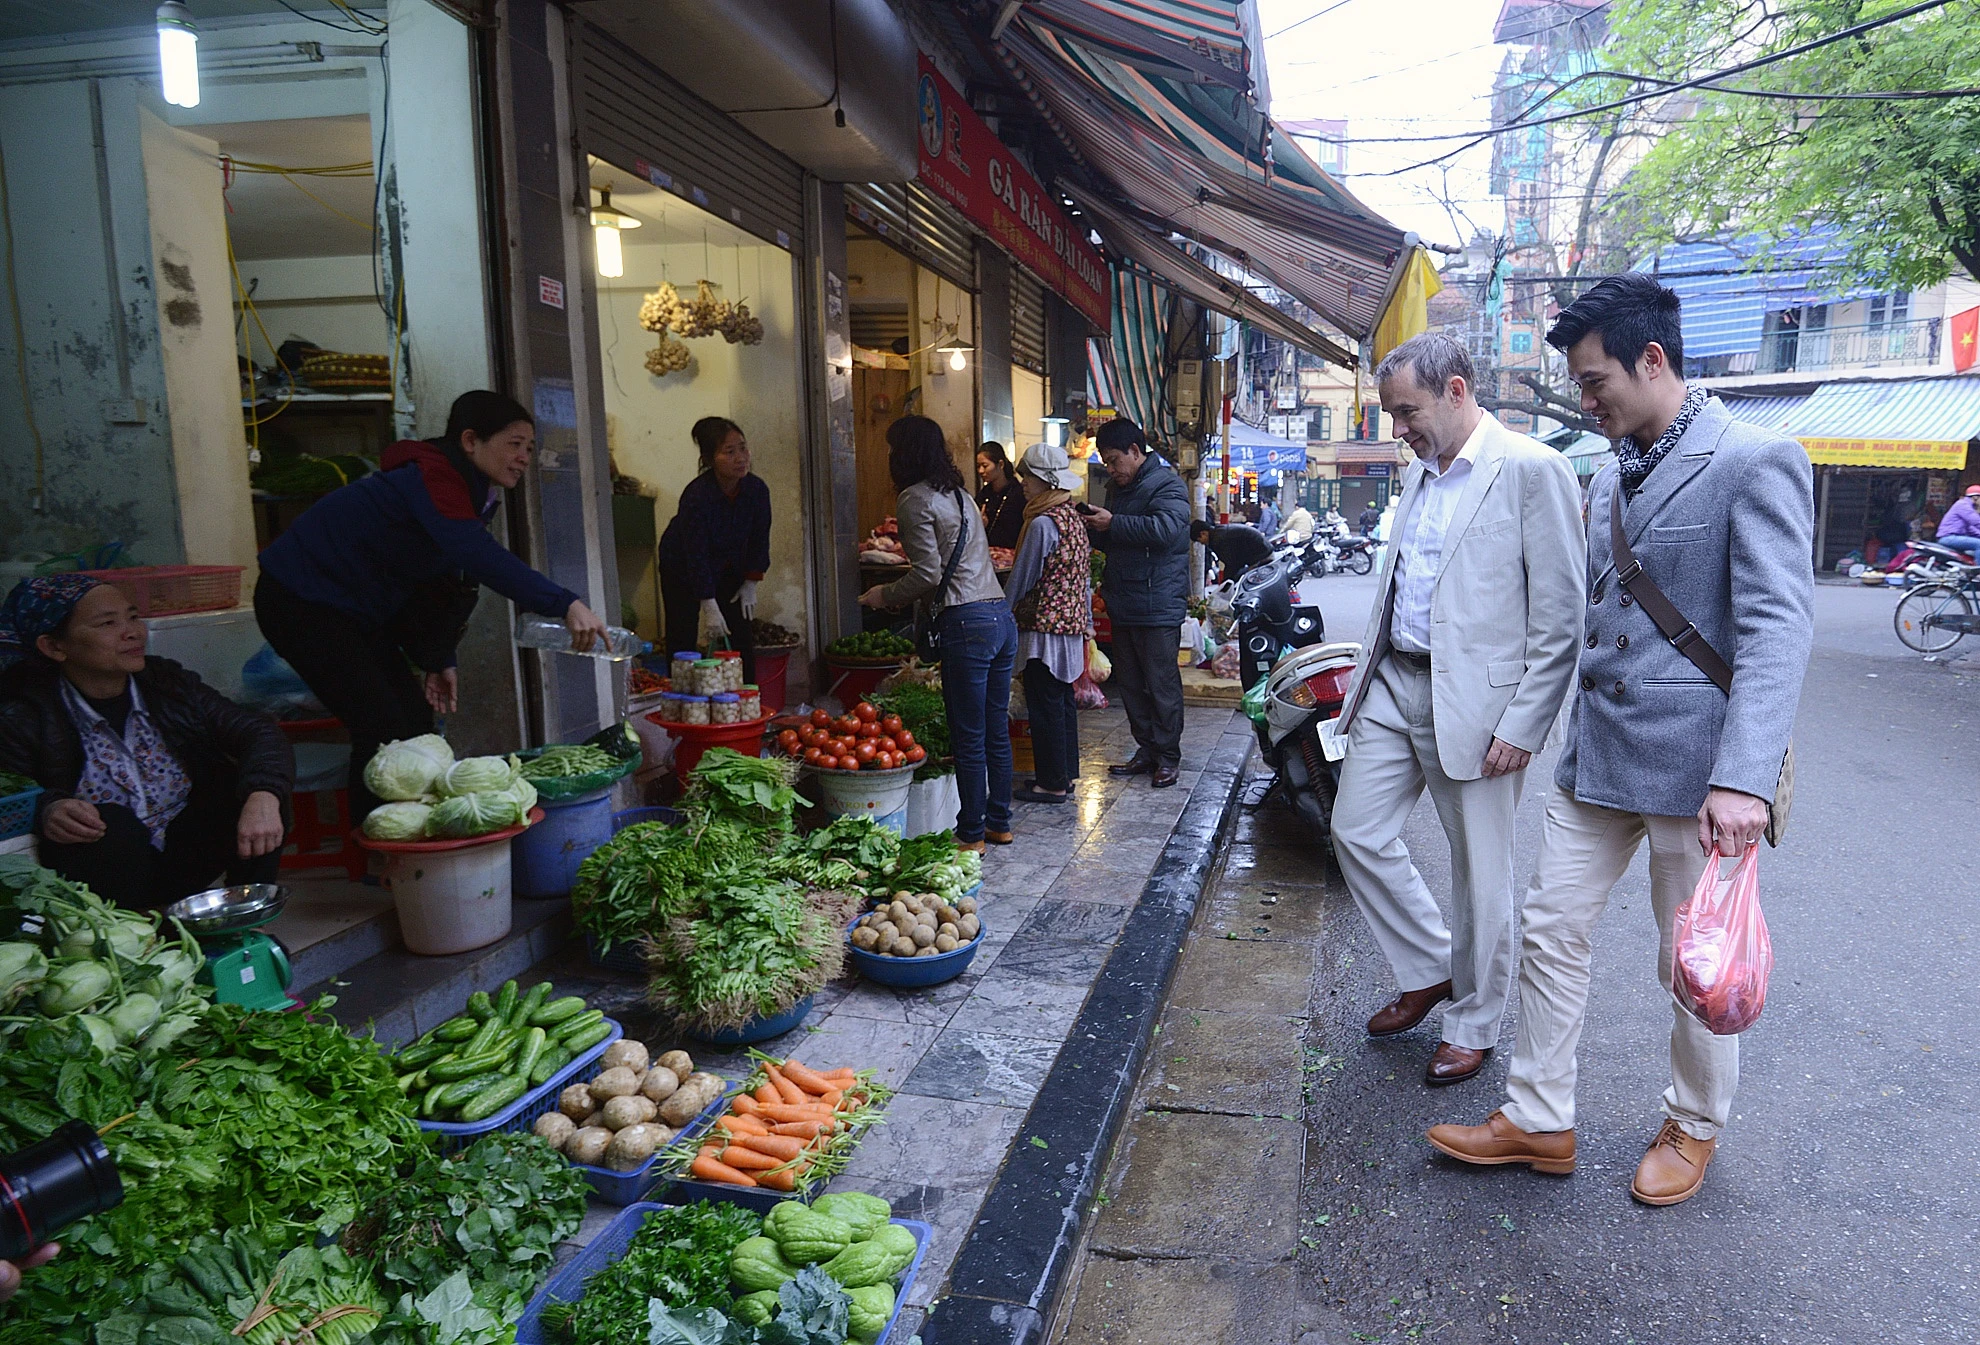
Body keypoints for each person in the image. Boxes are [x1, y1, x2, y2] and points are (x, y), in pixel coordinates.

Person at [1428, 273, 1814, 1207]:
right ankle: (1539, 1115)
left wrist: (1744, 779)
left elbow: (1776, 631)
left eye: (1595, 381)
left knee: (1691, 961)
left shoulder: (1755, 459)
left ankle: (1694, 1121)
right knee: (1550, 928)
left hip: (1699, 771)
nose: (1587, 399)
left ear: (1652, 359)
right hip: (1597, 756)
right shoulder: (1607, 474)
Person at [1329, 334, 1585, 1085]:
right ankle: (1431, 967)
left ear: (1457, 391)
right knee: (1355, 830)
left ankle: (1474, 1022)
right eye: (1392, 414)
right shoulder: (1421, 472)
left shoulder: (1532, 469)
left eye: (1407, 411)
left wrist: (1525, 722)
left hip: (1481, 702)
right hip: (1396, 681)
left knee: (1479, 872)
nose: (1398, 428)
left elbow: (1561, 618)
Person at [256, 391, 607, 823]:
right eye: (514, 444)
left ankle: (412, 834)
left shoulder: (470, 492)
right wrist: (564, 602)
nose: (523, 458)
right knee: (381, 725)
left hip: (353, 611)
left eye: (530, 448)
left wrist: (439, 658)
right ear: (470, 441)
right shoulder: (432, 478)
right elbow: (476, 554)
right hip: (300, 600)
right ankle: (378, 843)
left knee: (415, 720)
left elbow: (435, 583)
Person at [0, 577, 294, 910]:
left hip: (181, 849)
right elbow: (10, 795)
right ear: (54, 646)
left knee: (258, 790)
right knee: (112, 825)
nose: (132, 633)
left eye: (133, 617)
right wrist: (48, 809)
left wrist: (263, 795)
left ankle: (244, 912)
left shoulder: (166, 682)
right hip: (102, 872)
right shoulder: (21, 712)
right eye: (108, 623)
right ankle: (133, 927)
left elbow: (256, 731)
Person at [861, 416, 1017, 851]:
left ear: (904, 453)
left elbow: (927, 573)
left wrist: (883, 595)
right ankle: (998, 823)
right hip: (999, 616)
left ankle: (971, 833)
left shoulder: (915, 498)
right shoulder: (962, 495)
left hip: (966, 621)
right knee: (994, 729)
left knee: (968, 734)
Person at [1084, 419, 1190, 789]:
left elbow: (1165, 530)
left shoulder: (1167, 485)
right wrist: (1093, 528)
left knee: (1161, 684)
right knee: (1130, 684)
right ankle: (1146, 750)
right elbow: (1118, 538)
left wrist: (1113, 522)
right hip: (1124, 600)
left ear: (1134, 450)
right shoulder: (1117, 488)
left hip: (1158, 603)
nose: (1111, 469)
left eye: (1114, 461)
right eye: (1106, 463)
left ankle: (1168, 756)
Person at [1005, 442, 1092, 806]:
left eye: (1028, 476)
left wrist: (1001, 611)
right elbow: (1084, 579)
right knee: (1061, 702)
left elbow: (1023, 576)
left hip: (1043, 631)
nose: (1023, 483)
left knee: (1045, 704)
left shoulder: (1042, 523)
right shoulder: (1071, 518)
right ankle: (1064, 776)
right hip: (1069, 628)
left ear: (1047, 481)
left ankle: (1051, 783)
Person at [659, 416, 773, 684]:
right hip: (682, 567)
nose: (741, 458)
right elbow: (695, 553)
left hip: (728, 567)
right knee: (682, 636)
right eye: (729, 452)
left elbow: (759, 538)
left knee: (739, 634)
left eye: (743, 448)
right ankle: (684, 697)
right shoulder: (697, 496)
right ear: (709, 459)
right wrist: (708, 603)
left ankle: (745, 697)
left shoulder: (756, 490)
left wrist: (751, 581)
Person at [976, 441, 1026, 551]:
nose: (981, 471)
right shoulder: (984, 493)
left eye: (985, 466)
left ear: (1001, 464)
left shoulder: (1018, 493)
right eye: (978, 466)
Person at [1189, 518, 1272, 582]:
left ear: (1203, 533)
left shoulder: (1218, 540)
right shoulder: (1218, 531)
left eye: (1199, 540)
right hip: (1262, 551)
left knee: (1248, 584)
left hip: (1261, 556)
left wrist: (1225, 583)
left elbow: (1232, 564)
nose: (1201, 543)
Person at [1935, 483, 1980, 558]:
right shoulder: (1963, 504)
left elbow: (1971, 528)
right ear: (1975, 497)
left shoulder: (1967, 506)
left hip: (1954, 537)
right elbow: (1976, 521)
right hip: (1949, 537)